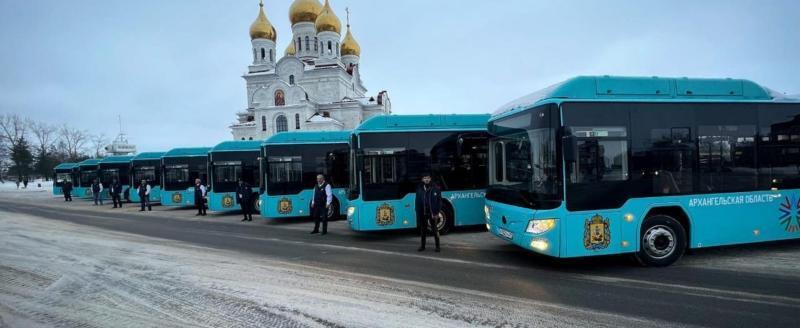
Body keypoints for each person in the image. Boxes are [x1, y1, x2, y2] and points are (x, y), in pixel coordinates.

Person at [415, 173, 441, 252]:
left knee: (434, 229)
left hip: (432, 213)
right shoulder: (419, 189)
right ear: (422, 179)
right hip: (423, 213)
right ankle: (422, 246)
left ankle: (438, 246)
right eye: (425, 178)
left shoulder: (435, 188)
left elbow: (439, 201)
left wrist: (436, 213)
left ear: (430, 179)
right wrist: (418, 213)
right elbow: (417, 202)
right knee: (423, 230)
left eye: (428, 178)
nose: (426, 179)